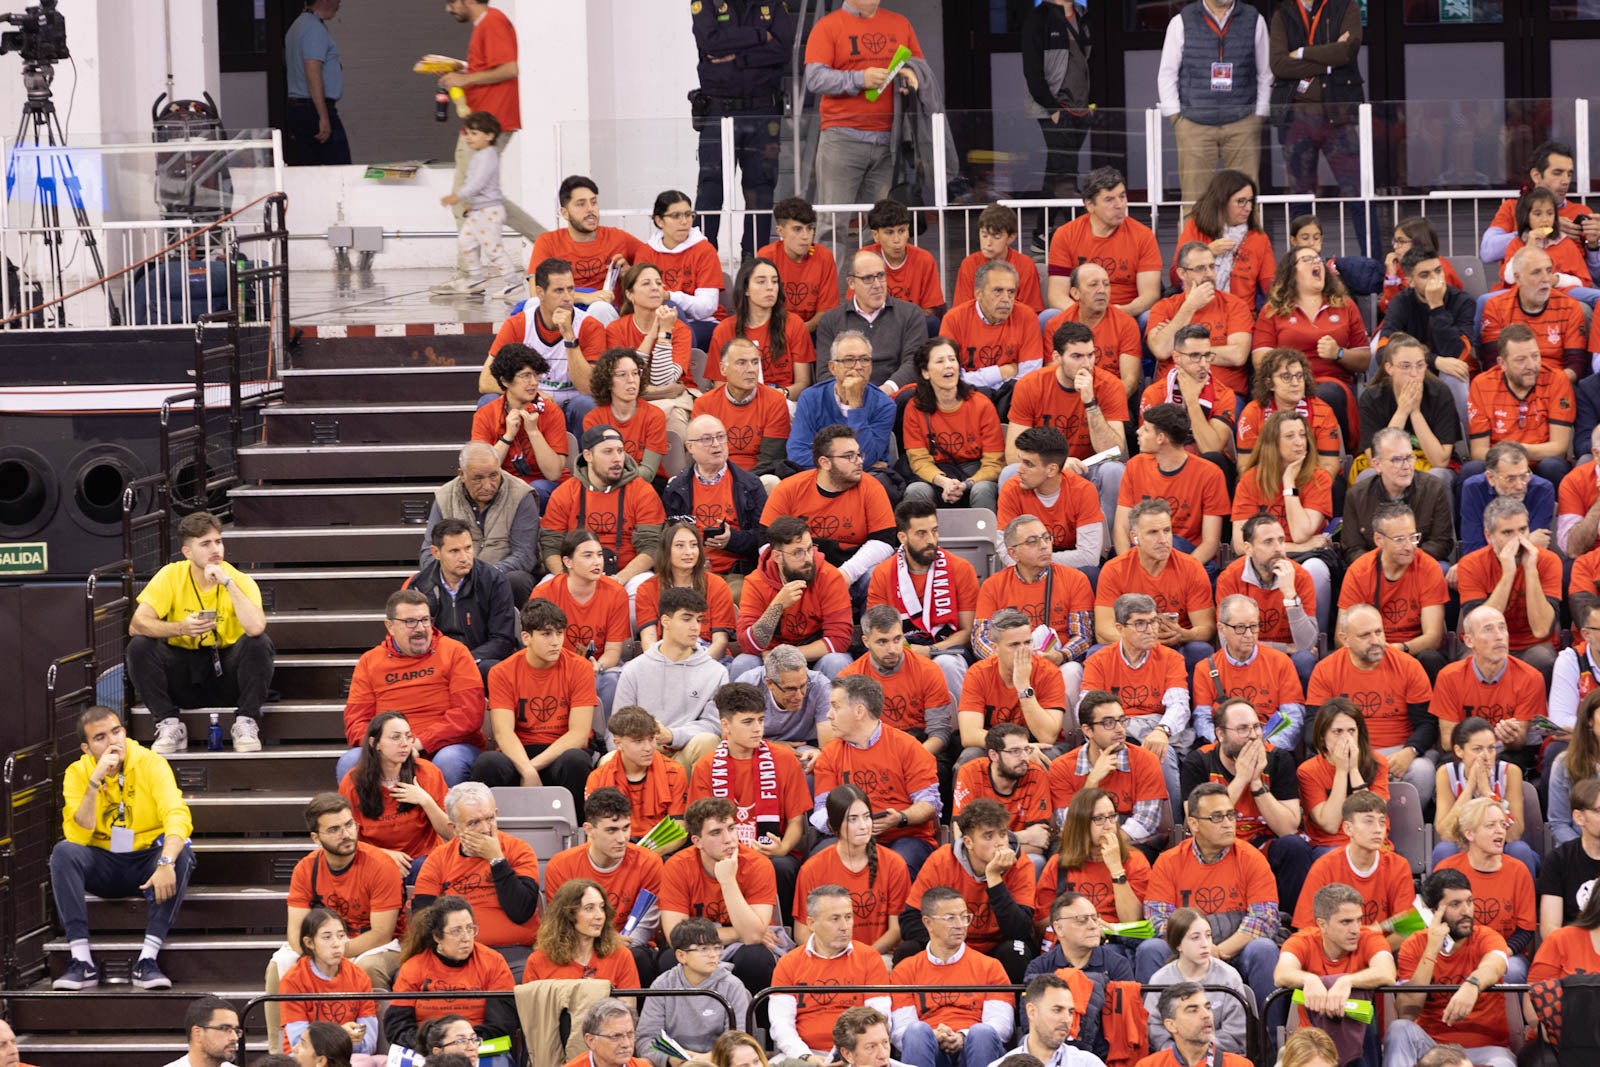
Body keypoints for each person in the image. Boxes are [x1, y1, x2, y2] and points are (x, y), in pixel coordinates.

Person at [49, 705, 193, 991]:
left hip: (145, 861)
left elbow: (177, 815)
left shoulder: (150, 763)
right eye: (100, 737)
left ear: (125, 732)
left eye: (116, 731)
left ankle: (148, 961)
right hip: (103, 862)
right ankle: (82, 962)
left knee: (181, 852)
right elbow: (77, 834)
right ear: (86, 747)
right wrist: (94, 782)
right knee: (63, 852)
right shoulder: (78, 772)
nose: (112, 742)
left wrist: (165, 863)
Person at [127, 510, 273, 755]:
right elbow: (136, 624)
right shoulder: (171, 575)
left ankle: (246, 722)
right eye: (205, 544)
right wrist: (180, 627)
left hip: (226, 671)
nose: (215, 549)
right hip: (183, 670)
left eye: (218, 541)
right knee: (139, 645)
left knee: (259, 642)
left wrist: (227, 584)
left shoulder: (238, 579)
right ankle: (169, 724)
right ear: (188, 552)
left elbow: (256, 627)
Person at [1138, 784, 1282, 1013]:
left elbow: (1263, 920)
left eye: (1230, 815)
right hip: (1184, 951)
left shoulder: (1251, 859)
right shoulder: (1169, 861)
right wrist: (1199, 947)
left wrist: (1217, 951)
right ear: (1194, 824)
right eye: (1217, 817)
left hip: (1236, 947)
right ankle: (1154, 1035)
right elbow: (1159, 922)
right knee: (1151, 949)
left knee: (1264, 950)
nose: (1228, 823)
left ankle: (1269, 1041)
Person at [265, 794, 402, 1034]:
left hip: (382, 944)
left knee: (369, 967)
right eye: (335, 829)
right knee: (279, 966)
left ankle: (374, 1047)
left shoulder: (380, 865)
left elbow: (382, 933)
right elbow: (296, 931)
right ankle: (282, 1054)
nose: (346, 834)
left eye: (349, 825)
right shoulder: (306, 868)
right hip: (326, 942)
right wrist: (317, 953)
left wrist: (335, 952)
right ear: (316, 838)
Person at [434, 0, 543, 296]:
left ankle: (470, 276)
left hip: (488, 124)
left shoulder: (493, 21)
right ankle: (547, 240)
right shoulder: (487, 25)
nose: (448, 9)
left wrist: (464, 78)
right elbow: (493, 67)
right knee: (486, 195)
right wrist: (462, 70)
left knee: (465, 196)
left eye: (451, 2)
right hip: (484, 121)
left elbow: (509, 68)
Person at [802, 0, 923, 243]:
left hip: (889, 140)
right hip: (841, 138)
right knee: (832, 223)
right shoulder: (828, 26)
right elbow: (814, 79)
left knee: (882, 227)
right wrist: (860, 79)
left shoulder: (901, 24)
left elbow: (920, 68)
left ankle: (874, 281)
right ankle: (829, 283)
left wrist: (910, 79)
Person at [689, 682, 812, 921]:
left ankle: (781, 932)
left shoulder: (784, 759)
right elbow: (701, 827)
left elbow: (797, 821)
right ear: (725, 725)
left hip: (772, 851)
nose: (757, 729)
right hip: (721, 852)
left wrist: (783, 848)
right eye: (748, 722)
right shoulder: (706, 766)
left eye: (761, 720)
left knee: (783, 867)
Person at [1180, 696, 1310, 915]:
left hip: (1263, 843)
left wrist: (1257, 782)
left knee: (1295, 847)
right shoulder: (1199, 761)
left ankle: (1288, 923)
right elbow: (1197, 823)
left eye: (1256, 727)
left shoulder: (1278, 759)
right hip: (1217, 843)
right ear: (1220, 734)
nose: (1252, 736)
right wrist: (1241, 778)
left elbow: (1288, 828)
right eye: (1242, 729)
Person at [469, 593, 594, 803]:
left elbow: (579, 735)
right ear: (526, 637)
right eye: (546, 634)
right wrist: (525, 768)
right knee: (488, 763)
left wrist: (532, 768)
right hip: (519, 751)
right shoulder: (502, 672)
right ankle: (490, 832)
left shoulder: (580, 667)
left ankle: (580, 831)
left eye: (559, 633)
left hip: (561, 751)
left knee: (576, 760)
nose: (556, 642)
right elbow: (503, 732)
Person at [689, 0, 790, 259]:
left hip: (762, 111)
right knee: (711, 188)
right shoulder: (707, 2)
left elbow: (781, 50)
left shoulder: (773, 4)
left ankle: (754, 259)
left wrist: (738, 57)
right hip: (718, 110)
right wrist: (759, 36)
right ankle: (702, 257)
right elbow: (710, 43)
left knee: (761, 189)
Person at [812, 675, 943, 877]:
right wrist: (848, 825)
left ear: (859, 711)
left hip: (905, 835)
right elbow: (821, 810)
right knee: (818, 861)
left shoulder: (908, 747)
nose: (829, 715)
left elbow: (929, 804)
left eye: (835, 707)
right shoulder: (829, 754)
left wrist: (901, 818)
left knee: (900, 862)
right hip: (847, 837)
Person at [900, 799, 1037, 983]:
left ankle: (1010, 1010)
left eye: (1003, 834)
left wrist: (994, 878)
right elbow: (910, 922)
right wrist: (954, 947)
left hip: (996, 947)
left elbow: (1019, 930)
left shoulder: (1021, 865)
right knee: (907, 950)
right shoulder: (941, 861)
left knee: (1016, 951)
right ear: (968, 842)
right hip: (949, 944)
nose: (1000, 843)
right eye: (988, 836)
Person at [1007, 324, 1128, 532]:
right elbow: (1011, 454)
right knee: (1009, 473)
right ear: (1057, 357)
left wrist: (1090, 401)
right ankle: (1023, 544)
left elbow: (1114, 452)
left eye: (1091, 355)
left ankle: (1105, 550)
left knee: (1114, 471)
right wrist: (1057, 464)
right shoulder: (1030, 385)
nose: (1087, 364)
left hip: (1089, 467)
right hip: (1045, 467)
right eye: (1077, 356)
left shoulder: (1110, 385)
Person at [413, 783, 541, 975]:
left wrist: (497, 860)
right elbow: (423, 920)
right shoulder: (438, 860)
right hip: (455, 955)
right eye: (473, 823)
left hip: (515, 954)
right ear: (454, 828)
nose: (485, 829)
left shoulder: (519, 851)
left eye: (490, 818)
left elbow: (521, 911)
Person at [658, 796, 783, 995]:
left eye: (731, 828)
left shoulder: (758, 864)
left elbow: (752, 937)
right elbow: (676, 937)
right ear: (697, 841)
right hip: (700, 949)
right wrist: (737, 932)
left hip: (742, 948)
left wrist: (727, 881)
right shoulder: (677, 866)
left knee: (755, 957)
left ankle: (754, 1025)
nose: (729, 839)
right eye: (716, 833)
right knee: (670, 959)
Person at [1309, 606, 1434, 801]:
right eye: (1365, 635)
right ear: (1345, 639)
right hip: (1345, 751)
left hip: (1397, 752)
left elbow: (1428, 723)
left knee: (1423, 770)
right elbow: (1313, 727)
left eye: (1379, 632)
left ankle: (1403, 829)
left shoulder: (1408, 666)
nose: (1375, 641)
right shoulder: (1326, 670)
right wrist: (1341, 755)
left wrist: (1410, 751)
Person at [1081, 593, 1192, 811]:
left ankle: (1175, 826)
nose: (1151, 629)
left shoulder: (1171, 659)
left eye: (1153, 621)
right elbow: (1086, 707)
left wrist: (1162, 730)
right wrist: (1114, 727)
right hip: (1113, 726)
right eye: (1140, 624)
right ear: (1120, 628)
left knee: (1161, 751)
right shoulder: (1099, 661)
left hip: (1156, 727)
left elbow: (1179, 704)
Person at [544, 787, 666, 984]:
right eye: (611, 830)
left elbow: (646, 923)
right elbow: (562, 923)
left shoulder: (649, 862)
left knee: (638, 958)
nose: (621, 839)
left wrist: (617, 944)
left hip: (631, 946)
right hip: (578, 945)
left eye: (626, 828)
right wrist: (608, 941)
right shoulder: (561, 866)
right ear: (589, 830)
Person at [1253, 246, 1371, 449]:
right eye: (1307, 259)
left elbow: (1364, 359)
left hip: (1331, 382)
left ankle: (1333, 456)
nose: (1317, 262)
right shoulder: (1272, 310)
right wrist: (1291, 370)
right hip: (1286, 383)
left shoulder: (1345, 305)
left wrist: (1339, 353)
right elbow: (1260, 359)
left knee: (1326, 394)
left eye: (1318, 259)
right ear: (1291, 272)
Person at [1157, 0, 1270, 204]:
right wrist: (1176, 119)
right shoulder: (1182, 20)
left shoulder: (1254, 19)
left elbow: (1265, 73)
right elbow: (1167, 74)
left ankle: (1246, 238)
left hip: (1242, 122)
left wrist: (1258, 116)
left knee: (1245, 202)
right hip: (1194, 124)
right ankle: (1193, 238)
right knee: (1194, 202)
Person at [762, 427, 898, 596]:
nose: (859, 461)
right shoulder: (789, 488)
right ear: (825, 462)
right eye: (849, 456)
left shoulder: (872, 487)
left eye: (858, 454)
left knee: (877, 576)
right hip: (800, 570)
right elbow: (765, 543)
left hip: (852, 568)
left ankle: (872, 623)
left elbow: (883, 542)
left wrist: (846, 574)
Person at [481, 259, 607, 440]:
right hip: (528, 404)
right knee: (489, 401)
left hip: (571, 407)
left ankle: (583, 466)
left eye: (570, 289)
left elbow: (589, 388)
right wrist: (534, 396)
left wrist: (569, 337)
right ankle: (491, 465)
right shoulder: (519, 324)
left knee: (586, 404)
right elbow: (486, 381)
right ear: (540, 292)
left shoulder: (589, 326)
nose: (568, 297)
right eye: (558, 290)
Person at [891, 885, 1016, 1067]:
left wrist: (962, 1036)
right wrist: (935, 1036)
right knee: (916, 1031)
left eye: (964, 917)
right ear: (928, 923)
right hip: (930, 1047)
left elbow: (1002, 1027)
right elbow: (901, 1032)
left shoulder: (990, 967)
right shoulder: (905, 970)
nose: (960, 925)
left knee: (982, 1033)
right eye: (950, 918)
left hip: (975, 1046)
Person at [864, 499, 979, 696]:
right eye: (921, 533)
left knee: (946, 663)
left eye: (934, 531)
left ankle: (958, 727)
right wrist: (904, 651)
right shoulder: (883, 573)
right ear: (902, 536)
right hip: (898, 649)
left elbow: (968, 632)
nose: (931, 540)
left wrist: (932, 650)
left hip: (949, 650)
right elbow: (877, 632)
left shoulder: (961, 568)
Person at [974, 513, 1095, 701]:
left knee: (1072, 671)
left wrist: (1060, 656)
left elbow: (1083, 636)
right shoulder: (993, 585)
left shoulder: (1075, 579)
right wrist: (1009, 660)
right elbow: (980, 638)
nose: (1044, 545)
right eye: (1032, 541)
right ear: (1013, 553)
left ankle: (1061, 729)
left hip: (1056, 661)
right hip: (1009, 663)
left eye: (1046, 538)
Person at [770, 884, 893, 1066]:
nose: (844, 926)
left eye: (848, 917)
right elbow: (781, 1025)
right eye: (835, 919)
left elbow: (878, 1019)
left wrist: (847, 1056)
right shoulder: (789, 963)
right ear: (811, 923)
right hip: (805, 1055)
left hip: (859, 1054)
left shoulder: (870, 958)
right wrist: (806, 1057)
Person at [539, 423, 666, 594]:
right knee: (544, 590)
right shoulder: (565, 492)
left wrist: (619, 579)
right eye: (608, 452)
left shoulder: (642, 491)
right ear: (588, 455)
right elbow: (551, 546)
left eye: (620, 451)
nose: (617, 458)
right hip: (574, 573)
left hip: (627, 574)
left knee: (644, 589)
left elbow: (651, 547)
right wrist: (568, 578)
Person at [1231, 411, 1335, 618]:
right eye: (1290, 436)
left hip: (1306, 559)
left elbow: (1299, 532)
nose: (1299, 442)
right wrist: (1301, 547)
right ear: (1272, 443)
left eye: (1302, 435)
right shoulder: (1251, 480)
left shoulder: (1319, 479)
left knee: (1316, 568)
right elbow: (1239, 544)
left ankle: (1316, 640)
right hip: (1264, 558)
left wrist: (1289, 483)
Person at [614, 587, 729, 773]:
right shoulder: (634, 669)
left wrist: (672, 735)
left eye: (699, 620)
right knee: (608, 760)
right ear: (666, 621)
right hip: (643, 751)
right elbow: (618, 724)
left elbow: (715, 726)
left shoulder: (716, 672)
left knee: (707, 741)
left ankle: (703, 803)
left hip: (686, 748)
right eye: (686, 618)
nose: (696, 627)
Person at [386, 896, 517, 1054]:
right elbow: (397, 1027)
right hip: (429, 1051)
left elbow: (502, 1024)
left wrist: (463, 1045)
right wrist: (441, 1046)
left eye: (470, 928)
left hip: (480, 1048)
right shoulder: (413, 967)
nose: (466, 938)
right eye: (457, 931)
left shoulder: (493, 962)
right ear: (437, 936)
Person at [1096, 501, 1216, 670]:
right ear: (1134, 537)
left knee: (1200, 650)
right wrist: (1140, 638)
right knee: (1097, 652)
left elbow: (1207, 629)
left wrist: (1184, 634)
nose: (1163, 540)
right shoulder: (1114, 570)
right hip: (1130, 644)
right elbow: (1103, 630)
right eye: (1153, 532)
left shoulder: (1191, 567)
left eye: (1167, 531)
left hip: (1177, 644)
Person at [1337, 502, 1449, 681]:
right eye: (1399, 539)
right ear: (1379, 540)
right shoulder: (1359, 571)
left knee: (1431, 658)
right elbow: (1341, 637)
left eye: (1413, 537)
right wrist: (1374, 648)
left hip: (1412, 651)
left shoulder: (1428, 567)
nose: (1409, 546)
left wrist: (1400, 648)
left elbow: (1433, 637)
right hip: (1369, 649)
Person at [733, 517, 855, 680]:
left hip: (812, 657)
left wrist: (786, 655)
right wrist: (776, 606)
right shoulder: (756, 582)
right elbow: (748, 644)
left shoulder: (829, 576)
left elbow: (839, 640)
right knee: (743, 663)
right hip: (770, 663)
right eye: (798, 552)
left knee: (838, 661)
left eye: (810, 548)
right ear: (777, 556)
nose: (807, 558)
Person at [1274, 884, 1396, 1045]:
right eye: (1346, 922)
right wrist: (1309, 979)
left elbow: (1387, 972)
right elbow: (1281, 974)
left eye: (1358, 920)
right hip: (1311, 1042)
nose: (1355, 929)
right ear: (1322, 924)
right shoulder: (1303, 941)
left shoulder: (1369, 938)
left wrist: (1347, 981)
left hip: (1363, 1040)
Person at [794, 784, 911, 953]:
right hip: (828, 958)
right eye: (853, 819)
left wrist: (863, 959)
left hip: (879, 956)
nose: (863, 826)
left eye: (866, 817)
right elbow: (802, 932)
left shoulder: (894, 864)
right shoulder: (812, 869)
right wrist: (832, 957)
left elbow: (896, 929)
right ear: (835, 826)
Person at [1455, 497, 1561, 683]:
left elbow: (1542, 629)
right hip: (1484, 643)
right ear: (1489, 536)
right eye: (1507, 533)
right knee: (1471, 662)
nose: (1518, 540)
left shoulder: (1548, 561)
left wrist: (1530, 569)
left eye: (1522, 530)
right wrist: (1508, 573)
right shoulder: (1470, 565)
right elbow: (1479, 627)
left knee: (1542, 659)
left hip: (1532, 645)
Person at [422, 441, 541, 605]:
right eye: (478, 478)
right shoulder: (445, 496)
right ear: (462, 475)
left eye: (493, 475)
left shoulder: (521, 494)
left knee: (517, 580)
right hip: (456, 575)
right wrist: (455, 574)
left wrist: (485, 575)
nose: (488, 485)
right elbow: (429, 553)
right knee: (424, 581)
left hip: (503, 575)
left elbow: (525, 555)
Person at [339, 712, 453, 881]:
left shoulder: (427, 773)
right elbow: (344, 838)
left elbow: (451, 834)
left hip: (422, 862)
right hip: (373, 862)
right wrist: (382, 855)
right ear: (374, 743)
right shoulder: (352, 783)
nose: (404, 744)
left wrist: (426, 800)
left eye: (408, 737)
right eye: (395, 737)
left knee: (424, 868)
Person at [1434, 797, 1536, 984]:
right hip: (1457, 952)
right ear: (1470, 834)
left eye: (1502, 824)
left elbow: (1525, 929)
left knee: (1512, 970)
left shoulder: (1519, 871)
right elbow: (1433, 920)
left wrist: (1495, 955)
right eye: (1490, 825)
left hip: (1506, 952)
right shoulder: (1447, 868)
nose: (1500, 831)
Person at [842, 606, 956, 774]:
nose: (892, 649)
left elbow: (939, 732)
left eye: (897, 639)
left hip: (920, 747)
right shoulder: (850, 679)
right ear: (866, 642)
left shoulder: (928, 670)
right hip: (872, 751)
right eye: (882, 642)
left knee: (937, 767)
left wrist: (908, 760)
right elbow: (848, 735)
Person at [1114, 403, 1229, 569]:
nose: (1137, 432)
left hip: (1187, 558)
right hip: (1141, 554)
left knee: (1175, 545)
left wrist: (1180, 572)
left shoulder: (1210, 474)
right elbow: (1121, 528)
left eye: (1145, 429)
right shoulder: (1134, 466)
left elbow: (1210, 543)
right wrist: (1128, 568)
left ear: (1161, 438)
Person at [1268, 0, 1363, 202]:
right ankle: (1300, 235)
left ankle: (1368, 235)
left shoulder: (1345, 6)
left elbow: (1346, 51)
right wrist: (1327, 65)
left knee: (1357, 190)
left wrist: (1302, 53)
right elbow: (1279, 65)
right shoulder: (1283, 12)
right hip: (1297, 117)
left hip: (1339, 116)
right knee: (1299, 194)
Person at [1048, 691, 1169, 849]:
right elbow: (1067, 823)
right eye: (1108, 723)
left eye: (1122, 720)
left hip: (1129, 843)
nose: (1119, 729)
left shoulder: (1145, 760)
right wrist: (1092, 781)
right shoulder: (1061, 767)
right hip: (1079, 842)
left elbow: (1145, 821)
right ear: (1087, 730)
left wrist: (1104, 846)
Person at [1377, 251, 1479, 438]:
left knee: (1454, 376)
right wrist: (1435, 361)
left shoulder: (1462, 301)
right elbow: (1383, 352)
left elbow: (1455, 352)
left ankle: (1466, 444)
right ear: (1410, 281)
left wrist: (1437, 307)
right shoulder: (1401, 302)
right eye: (1425, 275)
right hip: (1411, 372)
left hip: (1452, 373)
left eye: (1438, 271)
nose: (1435, 279)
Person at [1466, 323, 1576, 492]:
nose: (1531, 365)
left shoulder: (1557, 380)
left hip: (1540, 464)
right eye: (1521, 360)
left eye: (1535, 356)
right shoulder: (1481, 384)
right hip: (1499, 468)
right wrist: (1508, 462)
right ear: (1502, 363)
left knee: (1553, 465)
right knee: (1471, 470)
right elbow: (1479, 451)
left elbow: (1559, 448)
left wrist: (1513, 451)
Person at [1293, 790, 1415, 942]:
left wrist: (1372, 952)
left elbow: (1408, 928)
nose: (1378, 829)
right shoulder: (1325, 867)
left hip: (1382, 953)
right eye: (1368, 821)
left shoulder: (1398, 866)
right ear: (1348, 828)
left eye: (1382, 822)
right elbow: (1306, 930)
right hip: (1335, 955)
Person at [662, 415, 771, 584]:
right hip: (689, 573)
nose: (716, 444)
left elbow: (764, 537)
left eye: (720, 437)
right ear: (690, 447)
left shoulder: (750, 485)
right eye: (706, 439)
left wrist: (732, 539)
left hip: (736, 573)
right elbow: (667, 540)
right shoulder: (676, 489)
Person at [407, 517, 518, 683]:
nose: (464, 557)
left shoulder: (494, 581)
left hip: (479, 660)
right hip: (435, 662)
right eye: (454, 551)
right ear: (436, 553)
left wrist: (464, 660)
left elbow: (502, 639)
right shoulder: (420, 586)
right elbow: (413, 636)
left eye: (468, 548)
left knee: (495, 670)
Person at [900, 336, 1005, 510]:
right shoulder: (915, 407)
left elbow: (994, 463)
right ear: (925, 372)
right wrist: (944, 482)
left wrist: (968, 484)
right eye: (940, 361)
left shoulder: (981, 404)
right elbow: (919, 461)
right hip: (937, 475)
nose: (948, 365)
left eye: (952, 359)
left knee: (983, 489)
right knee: (916, 490)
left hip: (974, 476)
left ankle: (987, 537)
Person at [1213, 521, 1320, 689]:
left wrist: (1290, 595)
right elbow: (1229, 642)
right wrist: (1285, 648)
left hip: (1289, 659)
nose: (1278, 548)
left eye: (1281, 540)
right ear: (1248, 548)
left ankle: (1304, 714)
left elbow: (1306, 645)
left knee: (1305, 659)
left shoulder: (1300, 576)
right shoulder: (1230, 578)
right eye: (1268, 542)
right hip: (1247, 656)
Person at [533, 532, 631, 716]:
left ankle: (606, 739)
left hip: (598, 668)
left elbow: (613, 651)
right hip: (554, 665)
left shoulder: (616, 593)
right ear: (568, 562)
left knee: (612, 679)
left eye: (599, 555)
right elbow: (536, 647)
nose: (597, 562)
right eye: (588, 555)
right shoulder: (545, 593)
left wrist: (597, 666)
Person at [1045, 166, 1162, 320]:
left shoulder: (1143, 236)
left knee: (1148, 318)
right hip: (1079, 316)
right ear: (1090, 205)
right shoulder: (1065, 235)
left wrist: (1121, 312)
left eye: (1122, 196)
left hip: (1126, 314)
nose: (1119, 205)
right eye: (1109, 199)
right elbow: (1057, 295)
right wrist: (1085, 315)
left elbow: (1150, 295)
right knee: (1048, 316)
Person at [1430, 714, 1537, 878]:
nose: (1486, 756)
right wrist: (1469, 788)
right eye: (1477, 749)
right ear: (1459, 751)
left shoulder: (1510, 772)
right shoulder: (1446, 773)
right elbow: (1445, 833)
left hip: (1502, 845)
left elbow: (1514, 833)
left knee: (1520, 849)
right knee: (1444, 850)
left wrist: (1487, 792)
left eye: (1491, 748)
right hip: (1465, 846)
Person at [636, 917, 753, 1067]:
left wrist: (706, 1059)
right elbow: (646, 1040)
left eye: (716, 947)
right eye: (704, 949)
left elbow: (740, 1041)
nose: (713, 955)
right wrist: (676, 1059)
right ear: (681, 956)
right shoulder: (662, 985)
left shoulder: (732, 986)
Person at [527, 176, 646, 322]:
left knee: (600, 308)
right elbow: (536, 292)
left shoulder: (618, 238)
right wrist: (585, 298)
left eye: (594, 202)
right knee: (532, 304)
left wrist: (631, 273)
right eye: (581, 204)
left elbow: (654, 262)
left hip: (604, 312)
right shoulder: (548, 242)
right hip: (563, 310)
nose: (590, 209)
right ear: (565, 213)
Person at [1021, 0, 1092, 244]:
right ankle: (1079, 230)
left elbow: (1086, 61)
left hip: (1081, 108)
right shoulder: (1038, 18)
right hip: (1055, 107)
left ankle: (1042, 233)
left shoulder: (1082, 15)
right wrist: (1051, 108)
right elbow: (1031, 69)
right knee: (1065, 171)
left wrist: (1090, 105)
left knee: (1057, 169)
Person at [959, 607, 1068, 766]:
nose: (1024, 650)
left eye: (1028, 642)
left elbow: (1047, 736)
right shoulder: (978, 673)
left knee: (1048, 755)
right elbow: (969, 735)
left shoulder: (1048, 673)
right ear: (995, 648)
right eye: (1014, 645)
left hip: (1038, 742)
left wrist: (1024, 686)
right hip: (998, 742)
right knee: (970, 756)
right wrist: (1019, 748)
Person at [1432, 603, 1543, 758]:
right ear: (1469, 641)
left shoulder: (1530, 677)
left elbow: (1520, 741)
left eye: (1502, 628)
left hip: (1507, 752)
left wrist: (1510, 737)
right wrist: (1480, 751)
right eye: (1488, 629)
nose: (1499, 636)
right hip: (1465, 755)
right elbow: (1447, 741)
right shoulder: (1449, 677)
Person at [1146, 243, 1255, 402]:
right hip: (1173, 392)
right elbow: (1162, 350)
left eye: (1212, 266)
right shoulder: (1164, 307)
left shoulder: (1235, 305)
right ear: (1182, 273)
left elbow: (1238, 355)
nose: (1209, 273)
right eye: (1200, 268)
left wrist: (1181, 350)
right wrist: (1190, 307)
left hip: (1222, 394)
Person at [997, 426, 1106, 579]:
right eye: (1020, 461)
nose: (1019, 470)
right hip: (1028, 567)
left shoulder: (1083, 490)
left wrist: (1035, 560)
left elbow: (1089, 556)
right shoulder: (1011, 489)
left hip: (1069, 567)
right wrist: (1034, 564)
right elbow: (1005, 548)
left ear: (1051, 470)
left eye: (1028, 464)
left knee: (1091, 573)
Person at [605, 264, 694, 451]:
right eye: (646, 283)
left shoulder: (680, 329)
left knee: (672, 419)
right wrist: (653, 333)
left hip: (674, 400)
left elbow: (662, 380)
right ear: (630, 294)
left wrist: (666, 333)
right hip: (629, 398)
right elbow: (627, 379)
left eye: (659, 283)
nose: (655, 287)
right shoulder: (616, 329)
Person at [814, 249, 928, 394]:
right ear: (851, 283)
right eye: (868, 278)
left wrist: (885, 390)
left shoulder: (911, 314)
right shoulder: (831, 320)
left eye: (880, 276)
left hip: (895, 396)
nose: (877, 285)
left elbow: (913, 363)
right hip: (845, 397)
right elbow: (825, 372)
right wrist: (851, 394)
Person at [1358, 334, 1461, 488]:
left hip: (1431, 465)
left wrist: (1415, 413)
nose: (1414, 373)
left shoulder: (1440, 393)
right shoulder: (1372, 398)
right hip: (1389, 466)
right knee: (1368, 476)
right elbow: (1377, 459)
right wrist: (1402, 411)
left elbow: (1440, 461)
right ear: (1389, 368)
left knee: (1437, 477)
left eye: (1420, 365)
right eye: (1405, 366)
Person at [1342, 427, 1457, 566]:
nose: (1406, 466)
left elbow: (1442, 542)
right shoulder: (1356, 495)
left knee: (1442, 568)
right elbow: (1352, 549)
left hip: (1421, 563)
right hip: (1376, 567)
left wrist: (1404, 560)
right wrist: (1384, 563)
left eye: (1409, 457)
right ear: (1377, 464)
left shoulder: (1433, 488)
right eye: (1396, 460)